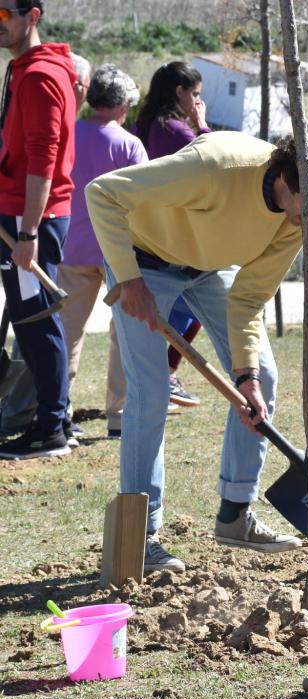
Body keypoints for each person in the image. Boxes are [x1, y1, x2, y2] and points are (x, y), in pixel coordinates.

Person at [86, 128, 308, 573]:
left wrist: (245, 376)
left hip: (209, 268)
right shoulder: (216, 168)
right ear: (293, 180)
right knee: (151, 394)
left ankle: (235, 515)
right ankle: (141, 537)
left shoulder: (294, 220)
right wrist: (128, 278)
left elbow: (249, 299)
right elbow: (102, 193)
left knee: (263, 377)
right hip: (143, 261)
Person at [0, 0, 75, 460]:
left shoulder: (40, 75)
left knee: (35, 319)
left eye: (6, 13)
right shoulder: (25, 69)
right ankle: (52, 418)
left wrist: (27, 235)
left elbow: (44, 158)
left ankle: (50, 428)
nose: (0, 23)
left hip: (32, 220)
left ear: (34, 15)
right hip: (22, 216)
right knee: (33, 317)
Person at [58, 64, 145, 440]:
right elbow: (144, 203)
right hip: (117, 253)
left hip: (70, 247)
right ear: (124, 105)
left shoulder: (69, 135)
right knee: (123, 333)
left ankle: (57, 409)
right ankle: (120, 416)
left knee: (66, 333)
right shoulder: (129, 145)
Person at [134, 60, 213, 408]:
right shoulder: (178, 132)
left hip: (148, 228)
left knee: (164, 314)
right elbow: (213, 165)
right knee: (193, 307)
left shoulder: (144, 125)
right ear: (179, 92)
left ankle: (162, 376)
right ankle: (165, 375)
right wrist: (201, 124)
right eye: (194, 95)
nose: (197, 101)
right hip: (179, 233)